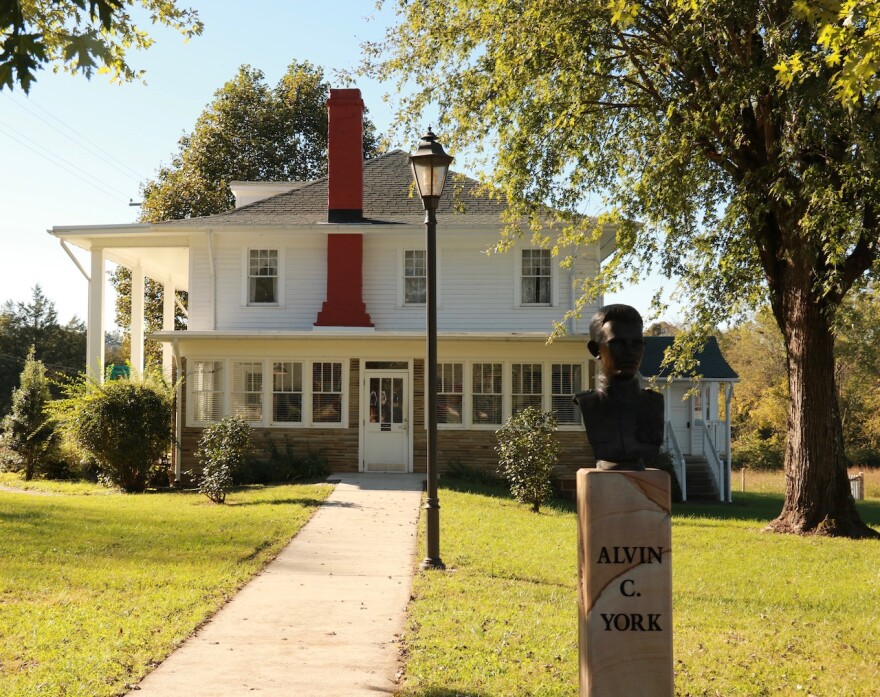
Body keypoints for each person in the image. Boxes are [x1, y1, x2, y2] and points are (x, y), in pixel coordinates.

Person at [574, 304, 664, 470]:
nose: (630, 351)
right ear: (595, 350)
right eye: (617, 343)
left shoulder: (654, 404)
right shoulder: (589, 404)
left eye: (637, 343)